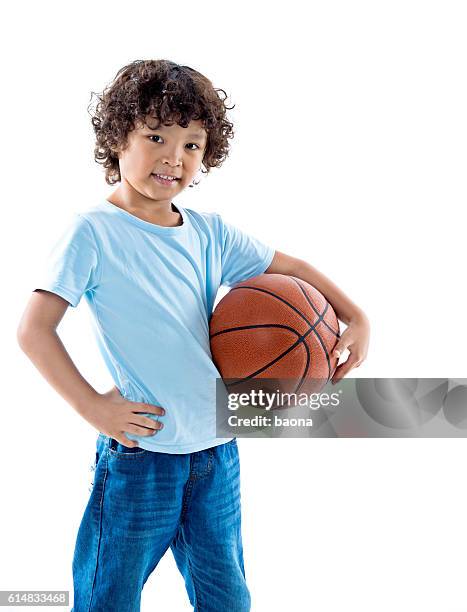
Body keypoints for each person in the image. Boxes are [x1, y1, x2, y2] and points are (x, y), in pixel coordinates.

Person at [16, 59, 370, 612]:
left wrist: (357, 316)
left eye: (192, 145)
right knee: (107, 596)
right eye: (156, 135)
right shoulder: (93, 232)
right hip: (141, 456)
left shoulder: (209, 232)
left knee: (227, 597)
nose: (173, 157)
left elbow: (292, 266)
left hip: (216, 452)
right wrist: (93, 407)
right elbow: (33, 331)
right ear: (117, 137)